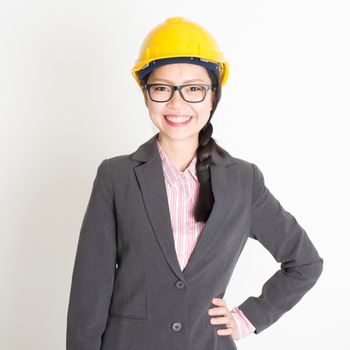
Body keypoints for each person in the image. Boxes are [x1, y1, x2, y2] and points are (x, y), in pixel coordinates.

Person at [66, 17, 323, 350]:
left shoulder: (244, 181)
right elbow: (90, 291)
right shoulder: (116, 177)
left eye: (193, 89)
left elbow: (305, 263)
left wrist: (248, 318)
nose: (177, 103)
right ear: (146, 96)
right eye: (161, 88)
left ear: (212, 95)